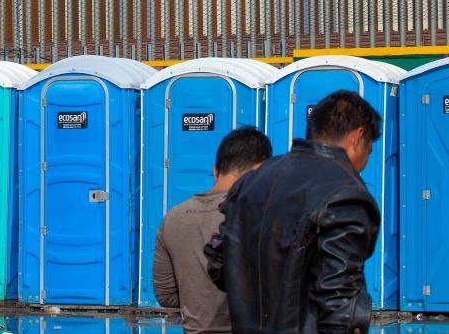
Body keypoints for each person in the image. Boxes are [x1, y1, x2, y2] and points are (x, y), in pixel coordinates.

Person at [207, 90, 381, 334]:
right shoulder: (345, 192)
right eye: (369, 151)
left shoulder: (253, 180)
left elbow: (218, 264)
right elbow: (340, 307)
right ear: (358, 136)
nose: (364, 162)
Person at [153, 126, 273, 334]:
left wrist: (199, 300)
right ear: (260, 171)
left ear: (216, 169)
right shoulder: (261, 215)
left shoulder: (173, 217)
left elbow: (165, 296)